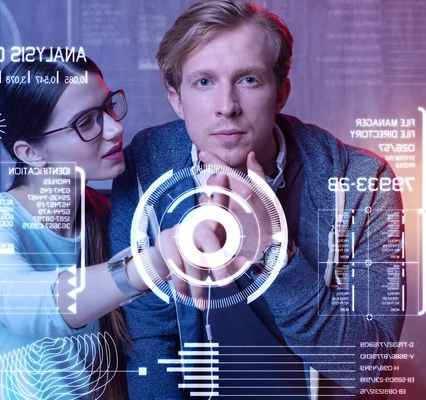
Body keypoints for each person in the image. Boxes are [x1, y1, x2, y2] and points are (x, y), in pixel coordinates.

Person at [109, 1, 406, 399]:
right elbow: (150, 344)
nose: (227, 106)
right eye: (203, 82)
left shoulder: (362, 183)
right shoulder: (147, 164)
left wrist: (274, 251)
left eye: (248, 80)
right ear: (176, 98)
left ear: (281, 91)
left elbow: (365, 367)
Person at [0, 50, 172, 399]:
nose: (116, 128)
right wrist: (148, 266)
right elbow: (25, 306)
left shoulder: (110, 216)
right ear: (30, 153)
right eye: (85, 122)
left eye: (109, 107)